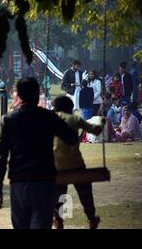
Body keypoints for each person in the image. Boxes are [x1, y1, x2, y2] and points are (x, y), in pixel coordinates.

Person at [0, 77, 78, 229]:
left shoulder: (8, 119)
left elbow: (1, 156)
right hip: (44, 181)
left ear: (18, 95)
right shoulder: (49, 117)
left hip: (19, 182)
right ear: (38, 94)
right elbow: (71, 138)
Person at [51, 96, 103, 229]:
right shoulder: (75, 118)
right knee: (85, 192)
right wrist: (101, 121)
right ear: (70, 108)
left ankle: (58, 220)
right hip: (76, 164)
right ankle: (91, 218)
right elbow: (95, 131)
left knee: (58, 194)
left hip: (56, 166)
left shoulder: (50, 119)